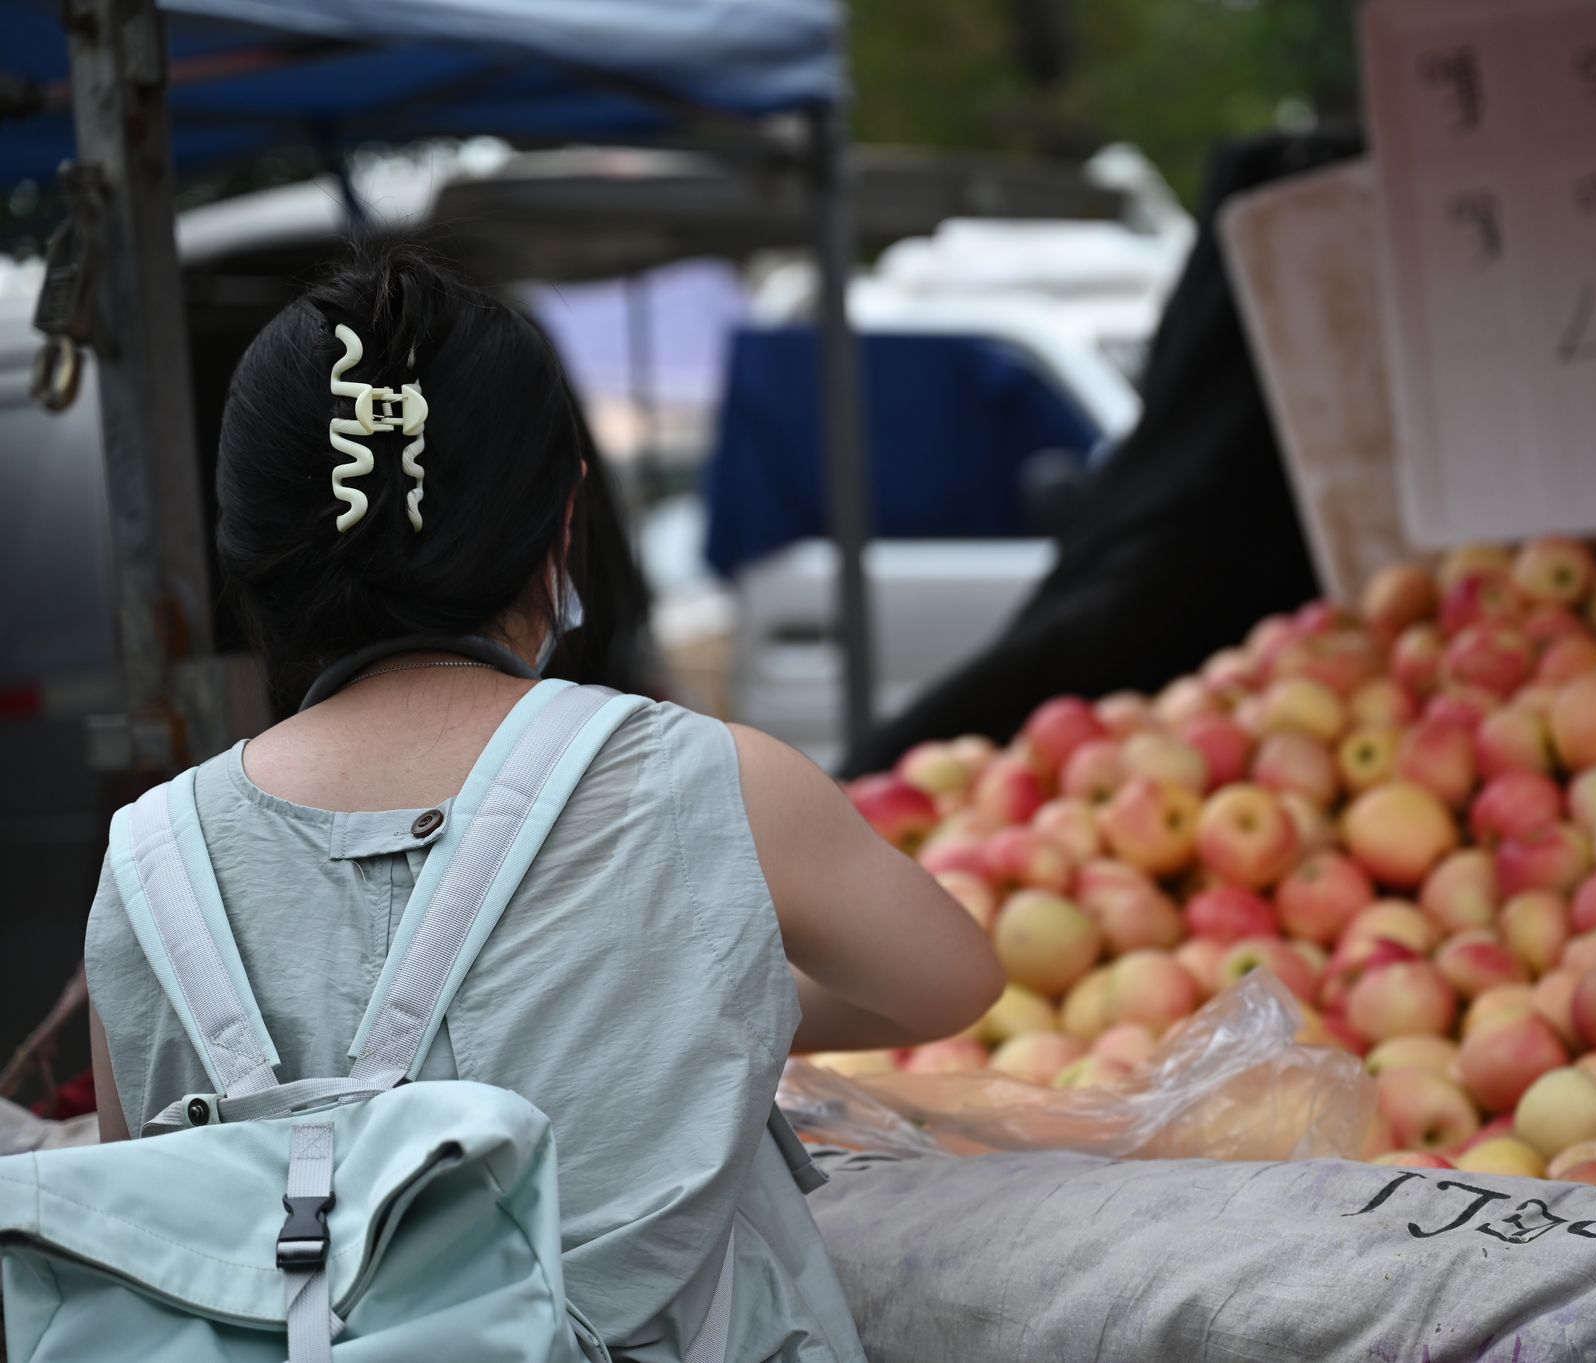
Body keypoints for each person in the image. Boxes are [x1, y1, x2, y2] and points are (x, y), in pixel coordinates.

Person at [82, 244, 1003, 1362]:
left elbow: (141, 1202)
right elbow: (948, 980)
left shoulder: (147, 866)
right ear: (564, 522)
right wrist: (688, 988)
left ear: (250, 552)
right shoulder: (710, 781)